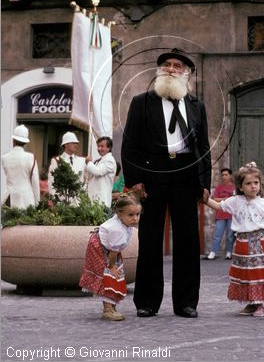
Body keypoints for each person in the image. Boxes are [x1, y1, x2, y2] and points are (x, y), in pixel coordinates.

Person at [121, 48, 211, 318]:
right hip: (152, 176)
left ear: (187, 74)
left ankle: (186, 302)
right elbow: (129, 145)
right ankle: (147, 301)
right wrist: (134, 180)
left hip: (186, 176)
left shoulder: (197, 106)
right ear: (160, 70)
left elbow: (204, 147)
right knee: (149, 240)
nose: (172, 69)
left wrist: (205, 181)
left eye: (178, 66)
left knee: (188, 241)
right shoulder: (142, 102)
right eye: (167, 65)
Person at [206, 163, 264, 317]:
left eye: (256, 183)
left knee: (257, 274)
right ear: (240, 186)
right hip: (242, 245)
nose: (253, 186)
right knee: (246, 274)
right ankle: (251, 304)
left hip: (259, 244)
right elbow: (219, 206)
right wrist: (205, 199)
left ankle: (259, 304)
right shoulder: (235, 201)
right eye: (248, 183)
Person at [79, 194, 141, 321]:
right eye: (131, 215)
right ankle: (108, 309)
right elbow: (113, 252)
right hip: (100, 250)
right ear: (119, 214)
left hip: (107, 249)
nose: (135, 218)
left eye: (137, 214)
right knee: (108, 276)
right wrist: (111, 266)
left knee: (115, 275)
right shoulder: (118, 230)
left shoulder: (122, 222)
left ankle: (112, 306)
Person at [1, 125, 40, 209]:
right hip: (26, 198)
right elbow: (35, 181)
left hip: (9, 198)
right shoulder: (31, 157)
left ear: (13, 140)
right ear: (25, 143)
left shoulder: (4, 158)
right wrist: (37, 202)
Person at [207, 168, 235, 260]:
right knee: (217, 234)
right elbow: (214, 199)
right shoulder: (219, 187)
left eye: (226, 174)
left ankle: (229, 252)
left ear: (230, 176)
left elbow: (235, 199)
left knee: (230, 236)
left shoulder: (234, 187)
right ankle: (213, 252)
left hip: (231, 214)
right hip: (220, 215)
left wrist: (222, 199)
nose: (224, 176)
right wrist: (227, 199)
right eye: (222, 175)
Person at [85, 136, 117, 207]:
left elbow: (98, 172)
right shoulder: (100, 160)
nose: (99, 149)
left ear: (109, 148)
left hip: (102, 200)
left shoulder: (110, 160)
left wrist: (88, 162)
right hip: (94, 199)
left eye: (102, 146)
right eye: (98, 146)